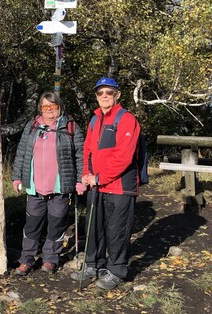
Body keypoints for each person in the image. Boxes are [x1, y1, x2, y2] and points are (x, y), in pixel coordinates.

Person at [72, 77, 141, 290]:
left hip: (120, 186)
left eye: (108, 92)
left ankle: (116, 270)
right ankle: (93, 264)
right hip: (96, 185)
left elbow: (124, 156)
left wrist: (100, 177)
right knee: (94, 227)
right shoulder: (94, 120)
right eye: (100, 93)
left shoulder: (127, 119)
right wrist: (86, 174)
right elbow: (87, 150)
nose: (104, 96)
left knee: (117, 230)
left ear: (117, 95)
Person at [11, 92, 85, 275]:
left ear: (60, 107)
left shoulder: (71, 127)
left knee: (57, 223)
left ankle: (50, 259)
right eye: (45, 107)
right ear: (40, 108)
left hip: (60, 187)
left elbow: (81, 156)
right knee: (32, 224)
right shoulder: (32, 126)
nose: (49, 110)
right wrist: (17, 177)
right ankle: (26, 259)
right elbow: (22, 153)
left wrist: (80, 180)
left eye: (53, 106)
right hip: (35, 187)